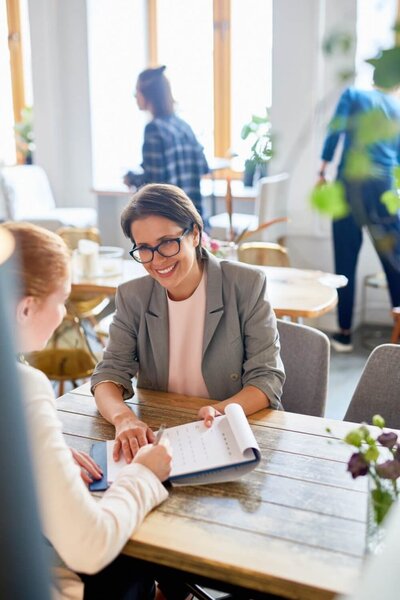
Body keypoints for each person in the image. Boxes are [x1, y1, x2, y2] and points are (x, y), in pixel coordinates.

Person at [5, 222, 172, 600]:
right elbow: (89, 546)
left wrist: (36, 459)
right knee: (126, 556)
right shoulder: (22, 388)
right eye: (61, 299)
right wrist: (144, 474)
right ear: (27, 308)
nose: (65, 313)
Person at [91, 183, 285, 464]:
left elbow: (266, 379)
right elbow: (108, 374)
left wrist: (221, 411)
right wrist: (124, 419)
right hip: (162, 434)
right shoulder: (134, 296)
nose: (157, 261)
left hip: (232, 434)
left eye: (167, 243)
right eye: (144, 249)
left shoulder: (246, 285)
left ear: (195, 234)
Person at [318, 80, 400, 352]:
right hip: (384, 185)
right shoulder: (395, 107)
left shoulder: (352, 94)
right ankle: (398, 331)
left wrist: (323, 168)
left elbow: (336, 129)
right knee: (394, 261)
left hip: (351, 183)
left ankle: (343, 334)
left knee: (345, 258)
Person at [123, 65, 209, 219]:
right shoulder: (184, 127)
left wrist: (131, 178)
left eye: (137, 91)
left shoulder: (154, 129)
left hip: (170, 222)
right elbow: (203, 167)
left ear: (148, 94)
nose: (135, 96)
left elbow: (154, 185)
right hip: (194, 220)